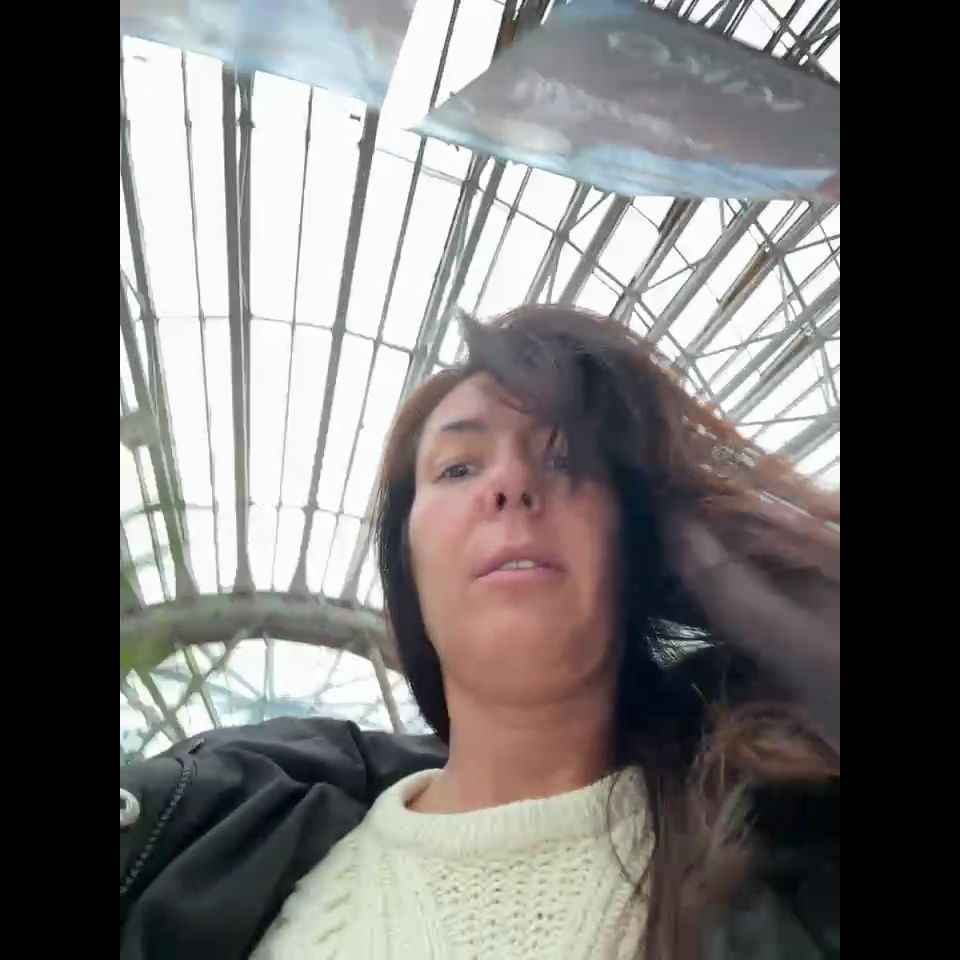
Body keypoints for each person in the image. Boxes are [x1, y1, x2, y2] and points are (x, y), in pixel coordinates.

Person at [120, 305, 839, 960]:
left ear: (643, 541)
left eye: (567, 459)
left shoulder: (786, 844)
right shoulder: (212, 846)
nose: (511, 484)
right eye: (458, 467)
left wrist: (739, 568)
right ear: (407, 562)